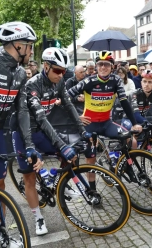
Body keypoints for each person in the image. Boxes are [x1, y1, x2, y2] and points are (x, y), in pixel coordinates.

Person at [12, 47, 92, 236]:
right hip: (25, 133)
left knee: (69, 154)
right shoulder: (32, 85)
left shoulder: (60, 81)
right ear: (46, 67)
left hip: (42, 130)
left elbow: (69, 105)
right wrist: (61, 145)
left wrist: (83, 131)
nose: (61, 74)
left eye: (64, 71)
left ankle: (62, 185)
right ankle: (38, 217)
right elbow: (41, 118)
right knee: (30, 178)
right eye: (57, 70)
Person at [0, 21, 41, 248]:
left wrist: (29, 146)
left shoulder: (19, 74)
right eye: (30, 46)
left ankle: (1, 229)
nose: (31, 51)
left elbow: (23, 111)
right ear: (18, 45)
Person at [68, 50, 141, 167]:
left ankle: (125, 166)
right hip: (89, 125)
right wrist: (77, 118)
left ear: (112, 67)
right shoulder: (88, 81)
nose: (103, 67)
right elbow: (66, 97)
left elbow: (124, 102)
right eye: (100, 64)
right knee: (91, 160)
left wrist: (134, 123)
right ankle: (92, 186)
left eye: (106, 64)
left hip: (107, 123)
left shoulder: (116, 80)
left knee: (131, 141)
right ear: (96, 66)